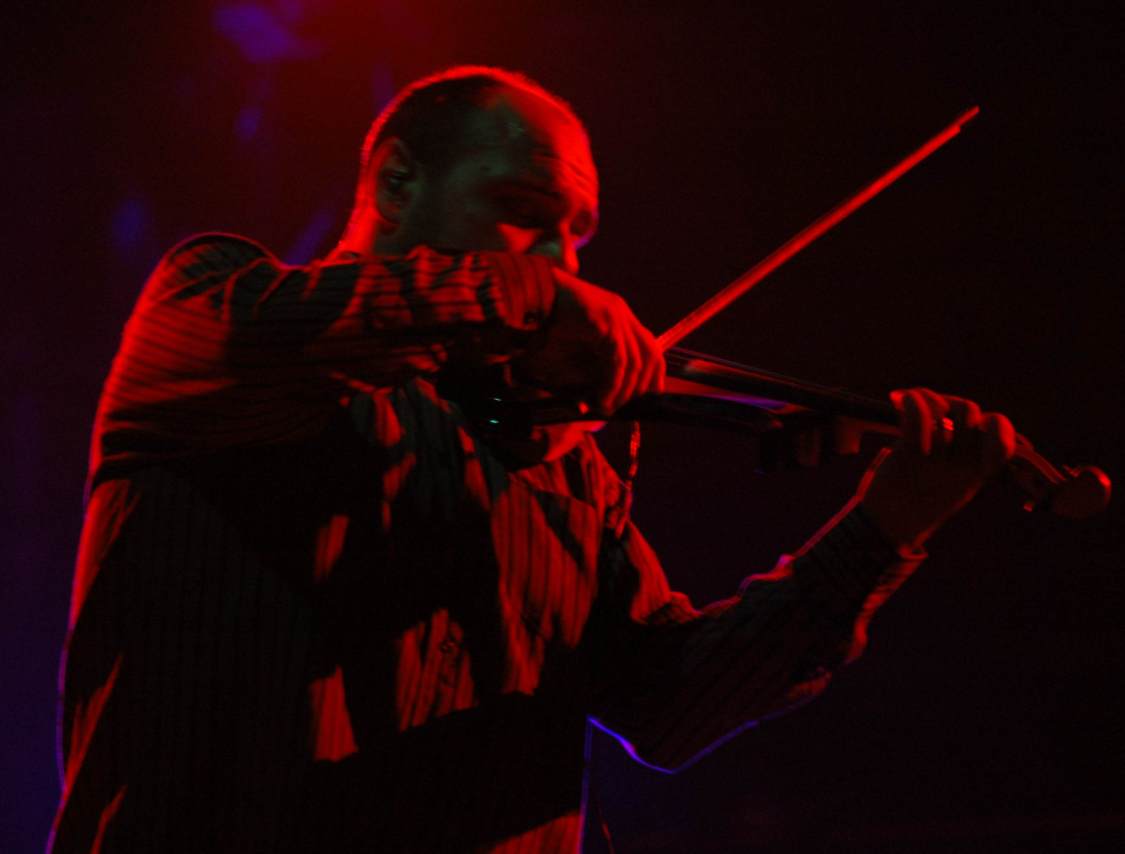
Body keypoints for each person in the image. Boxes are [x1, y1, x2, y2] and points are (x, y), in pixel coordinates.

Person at [50, 66, 1016, 853]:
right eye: (520, 210)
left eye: (574, 236)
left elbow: (670, 708)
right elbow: (270, 334)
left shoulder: (557, 460)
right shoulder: (213, 310)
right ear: (395, 184)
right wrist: (532, 300)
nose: (559, 258)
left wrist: (884, 529)